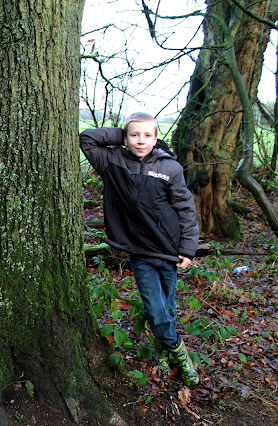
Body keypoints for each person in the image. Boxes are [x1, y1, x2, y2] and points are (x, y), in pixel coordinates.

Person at [79, 112, 200, 387]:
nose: (141, 140)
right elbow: (87, 138)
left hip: (169, 251)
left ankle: (162, 354)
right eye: (134, 135)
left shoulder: (170, 168)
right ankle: (180, 351)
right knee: (156, 310)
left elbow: (185, 209)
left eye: (147, 135)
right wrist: (121, 135)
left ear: (156, 139)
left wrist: (188, 249)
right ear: (125, 137)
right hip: (140, 253)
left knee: (166, 308)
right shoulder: (113, 161)